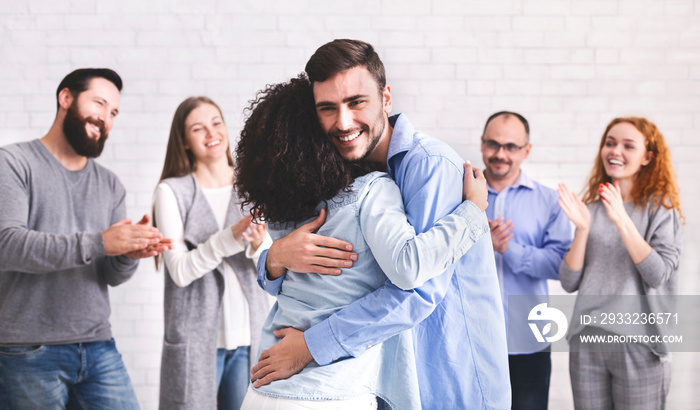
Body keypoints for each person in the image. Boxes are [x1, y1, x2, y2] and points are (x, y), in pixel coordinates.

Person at [250, 39, 511, 409]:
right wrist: (274, 258)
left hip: (449, 376)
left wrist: (310, 346)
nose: (343, 122)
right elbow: (325, 282)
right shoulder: (339, 176)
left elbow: (415, 289)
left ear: (386, 98)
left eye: (357, 102)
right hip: (383, 381)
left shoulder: (429, 165)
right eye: (328, 108)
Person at [0, 68, 172, 409]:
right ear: (66, 98)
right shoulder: (14, 163)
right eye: (99, 103)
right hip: (28, 351)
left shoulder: (110, 185)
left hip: (97, 345)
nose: (106, 118)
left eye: (114, 113)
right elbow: (7, 246)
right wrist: (102, 243)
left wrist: (127, 253)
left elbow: (110, 275)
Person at [153, 96, 274, 410]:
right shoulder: (171, 192)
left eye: (216, 123)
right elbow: (179, 271)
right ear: (184, 142)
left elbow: (274, 262)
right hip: (196, 342)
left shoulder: (252, 185)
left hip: (250, 337)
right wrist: (230, 239)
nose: (211, 133)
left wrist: (256, 246)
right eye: (198, 128)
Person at [557, 117, 683, 410]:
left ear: (647, 157)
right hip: (587, 340)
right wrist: (584, 229)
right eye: (610, 143)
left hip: (640, 344)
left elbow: (658, 274)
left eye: (629, 145)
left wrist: (622, 220)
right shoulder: (591, 208)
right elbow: (568, 281)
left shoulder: (661, 208)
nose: (615, 151)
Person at [480, 111, 571, 410]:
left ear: (526, 150)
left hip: (530, 340)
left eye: (511, 147)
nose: (500, 154)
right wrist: (482, 246)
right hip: (474, 339)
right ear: (481, 144)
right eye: (493, 144)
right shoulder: (455, 197)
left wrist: (510, 249)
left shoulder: (549, 201)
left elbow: (562, 266)